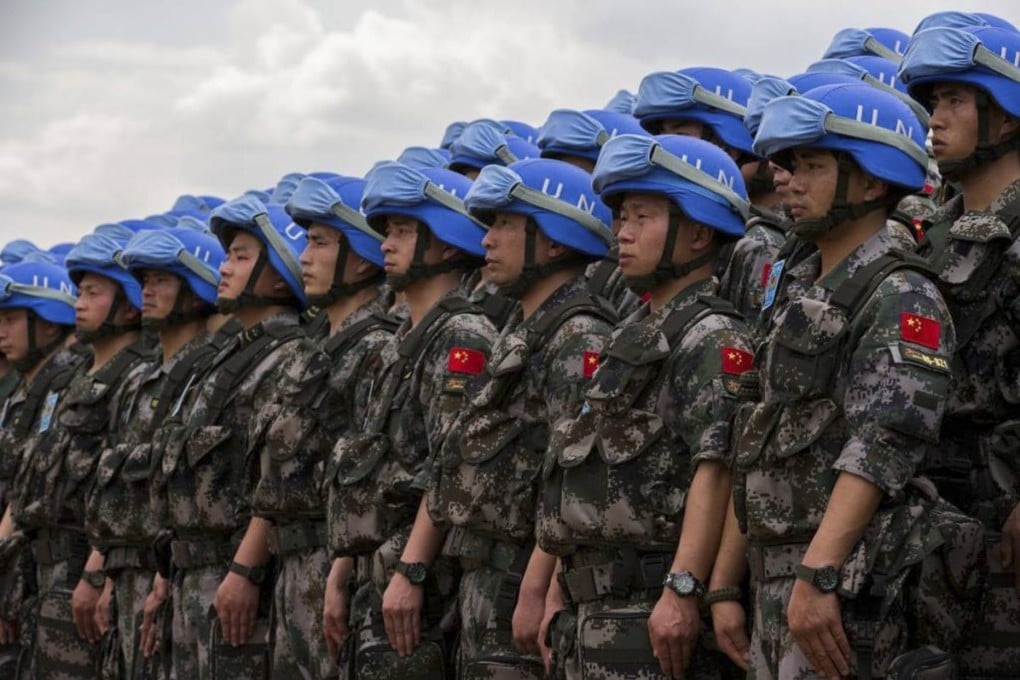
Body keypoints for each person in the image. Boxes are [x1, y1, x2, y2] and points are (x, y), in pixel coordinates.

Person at [719, 82, 954, 679]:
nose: (790, 184)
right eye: (791, 166)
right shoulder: (797, 288)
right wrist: (726, 585)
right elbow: (749, 440)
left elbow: (884, 443)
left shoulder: (900, 292)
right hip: (775, 574)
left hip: (840, 582)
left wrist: (818, 574)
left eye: (814, 167)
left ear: (872, 182)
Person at [384, 157, 615, 679]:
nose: (486, 240)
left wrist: (537, 589)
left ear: (554, 240)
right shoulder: (523, 328)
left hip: (519, 578)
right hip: (482, 576)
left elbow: (573, 482)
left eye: (506, 225)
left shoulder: (578, 337)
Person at [538, 133, 753, 680]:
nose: (622, 233)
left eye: (641, 217)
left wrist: (684, 588)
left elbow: (719, 470)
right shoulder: (634, 331)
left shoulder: (711, 336)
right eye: (620, 217)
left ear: (699, 231)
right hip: (596, 613)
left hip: (655, 611)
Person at [330, 162, 497, 678]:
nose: (386, 242)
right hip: (376, 576)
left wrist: (413, 567)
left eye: (404, 230)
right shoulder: (400, 339)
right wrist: (343, 570)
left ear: (446, 242)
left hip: (421, 587)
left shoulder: (462, 335)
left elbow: (450, 466)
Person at [899, 22, 1020, 678]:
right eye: (932, 103)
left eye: (953, 102)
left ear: (1004, 116)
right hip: (926, 522)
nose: (935, 120)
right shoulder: (925, 235)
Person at [163, 196, 323, 679]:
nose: (224, 267)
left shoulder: (289, 355)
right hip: (192, 571)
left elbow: (277, 474)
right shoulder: (230, 355)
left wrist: (244, 569)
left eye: (241, 256)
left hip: (236, 574)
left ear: (280, 273)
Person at [86, 227, 226, 678]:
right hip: (128, 571)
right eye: (144, 281)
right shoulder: (138, 380)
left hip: (173, 572)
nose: (146, 291)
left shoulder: (210, 370)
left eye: (161, 281)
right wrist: (105, 573)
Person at [16, 232, 153, 677]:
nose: (79, 302)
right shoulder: (70, 378)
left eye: (94, 293)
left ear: (128, 304)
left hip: (83, 564)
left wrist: (96, 574)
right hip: (44, 568)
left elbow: (122, 488)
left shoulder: (132, 376)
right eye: (79, 292)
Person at [0, 261, 82, 678]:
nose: (1, 331)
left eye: (11, 319)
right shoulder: (24, 391)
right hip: (24, 576)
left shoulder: (67, 387)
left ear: (50, 325)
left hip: (57, 573)